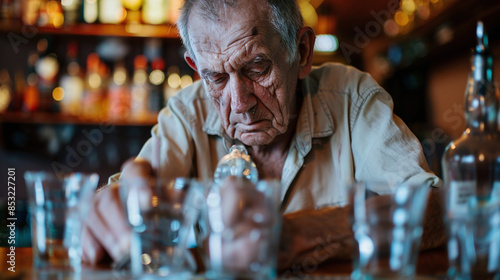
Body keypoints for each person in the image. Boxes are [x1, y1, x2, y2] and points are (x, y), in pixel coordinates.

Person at [82, 0, 446, 273]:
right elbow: (126, 198)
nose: (240, 104)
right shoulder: (187, 112)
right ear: (195, 67)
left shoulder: (351, 98)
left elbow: (438, 210)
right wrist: (111, 210)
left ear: (301, 52)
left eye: (257, 68)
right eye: (217, 79)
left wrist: (295, 235)